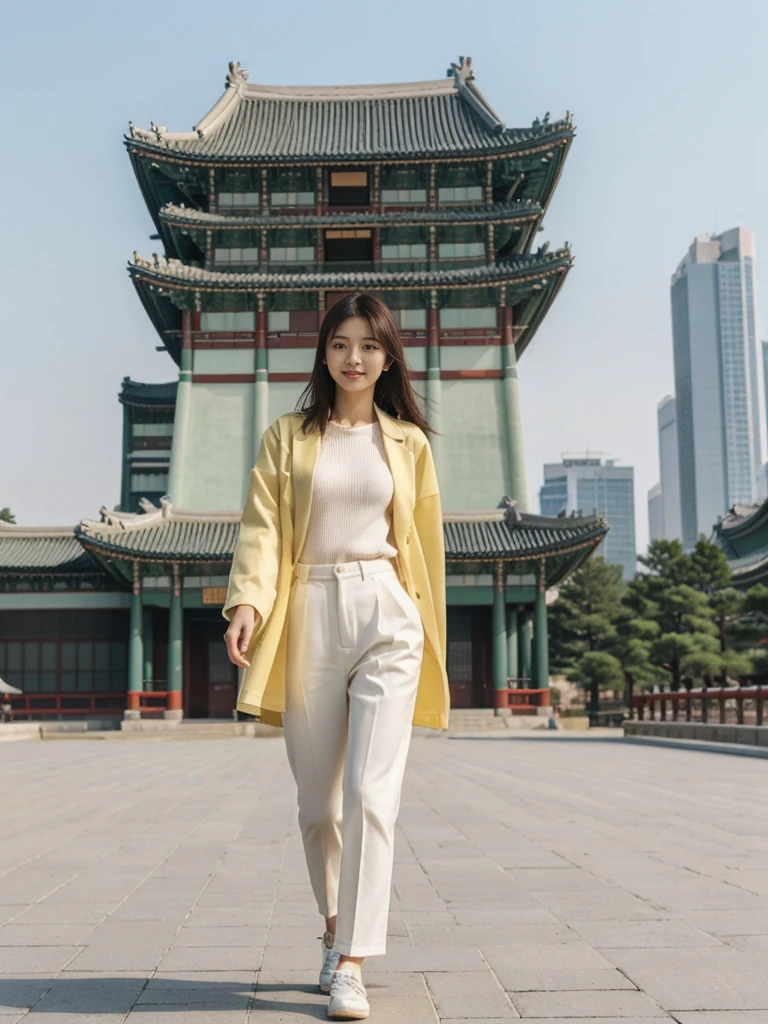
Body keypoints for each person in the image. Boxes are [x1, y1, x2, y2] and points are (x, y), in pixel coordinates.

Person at [223, 292, 448, 1020]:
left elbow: (427, 549)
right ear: (324, 354)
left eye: (370, 346)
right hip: (311, 610)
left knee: (370, 793)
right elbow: (261, 528)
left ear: (389, 358)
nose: (356, 358)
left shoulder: (410, 443)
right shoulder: (286, 437)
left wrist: (424, 621)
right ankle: (331, 931)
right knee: (319, 806)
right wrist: (248, 603)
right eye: (342, 344)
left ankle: (351, 960)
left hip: (387, 609)